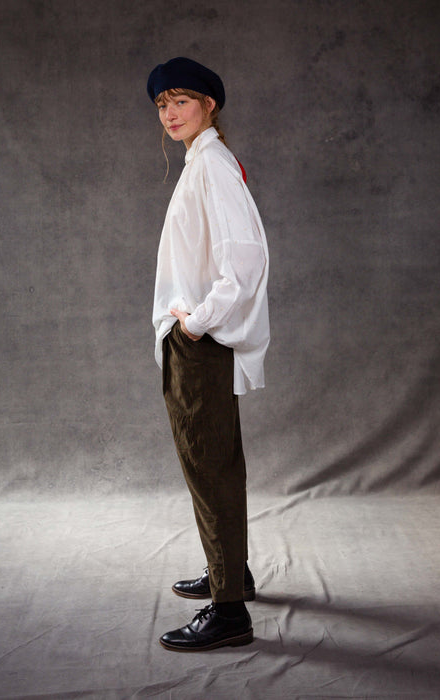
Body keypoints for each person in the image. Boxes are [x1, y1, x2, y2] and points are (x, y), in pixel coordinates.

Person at [147, 57, 269, 652]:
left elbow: (242, 263)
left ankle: (230, 614)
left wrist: (194, 323)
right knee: (211, 463)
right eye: (162, 104)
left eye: (181, 101)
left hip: (202, 345)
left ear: (209, 105)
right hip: (196, 343)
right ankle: (232, 575)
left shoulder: (212, 166)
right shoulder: (201, 161)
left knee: (210, 467)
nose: (170, 114)